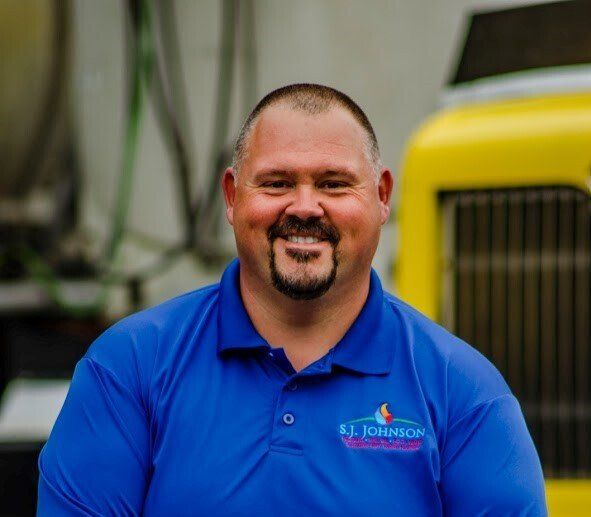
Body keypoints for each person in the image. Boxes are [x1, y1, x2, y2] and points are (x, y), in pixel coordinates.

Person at [37, 84, 547, 515]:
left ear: (382, 195)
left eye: (334, 183)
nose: (305, 207)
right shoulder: (129, 368)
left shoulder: (462, 391)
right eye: (277, 182)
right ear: (233, 197)